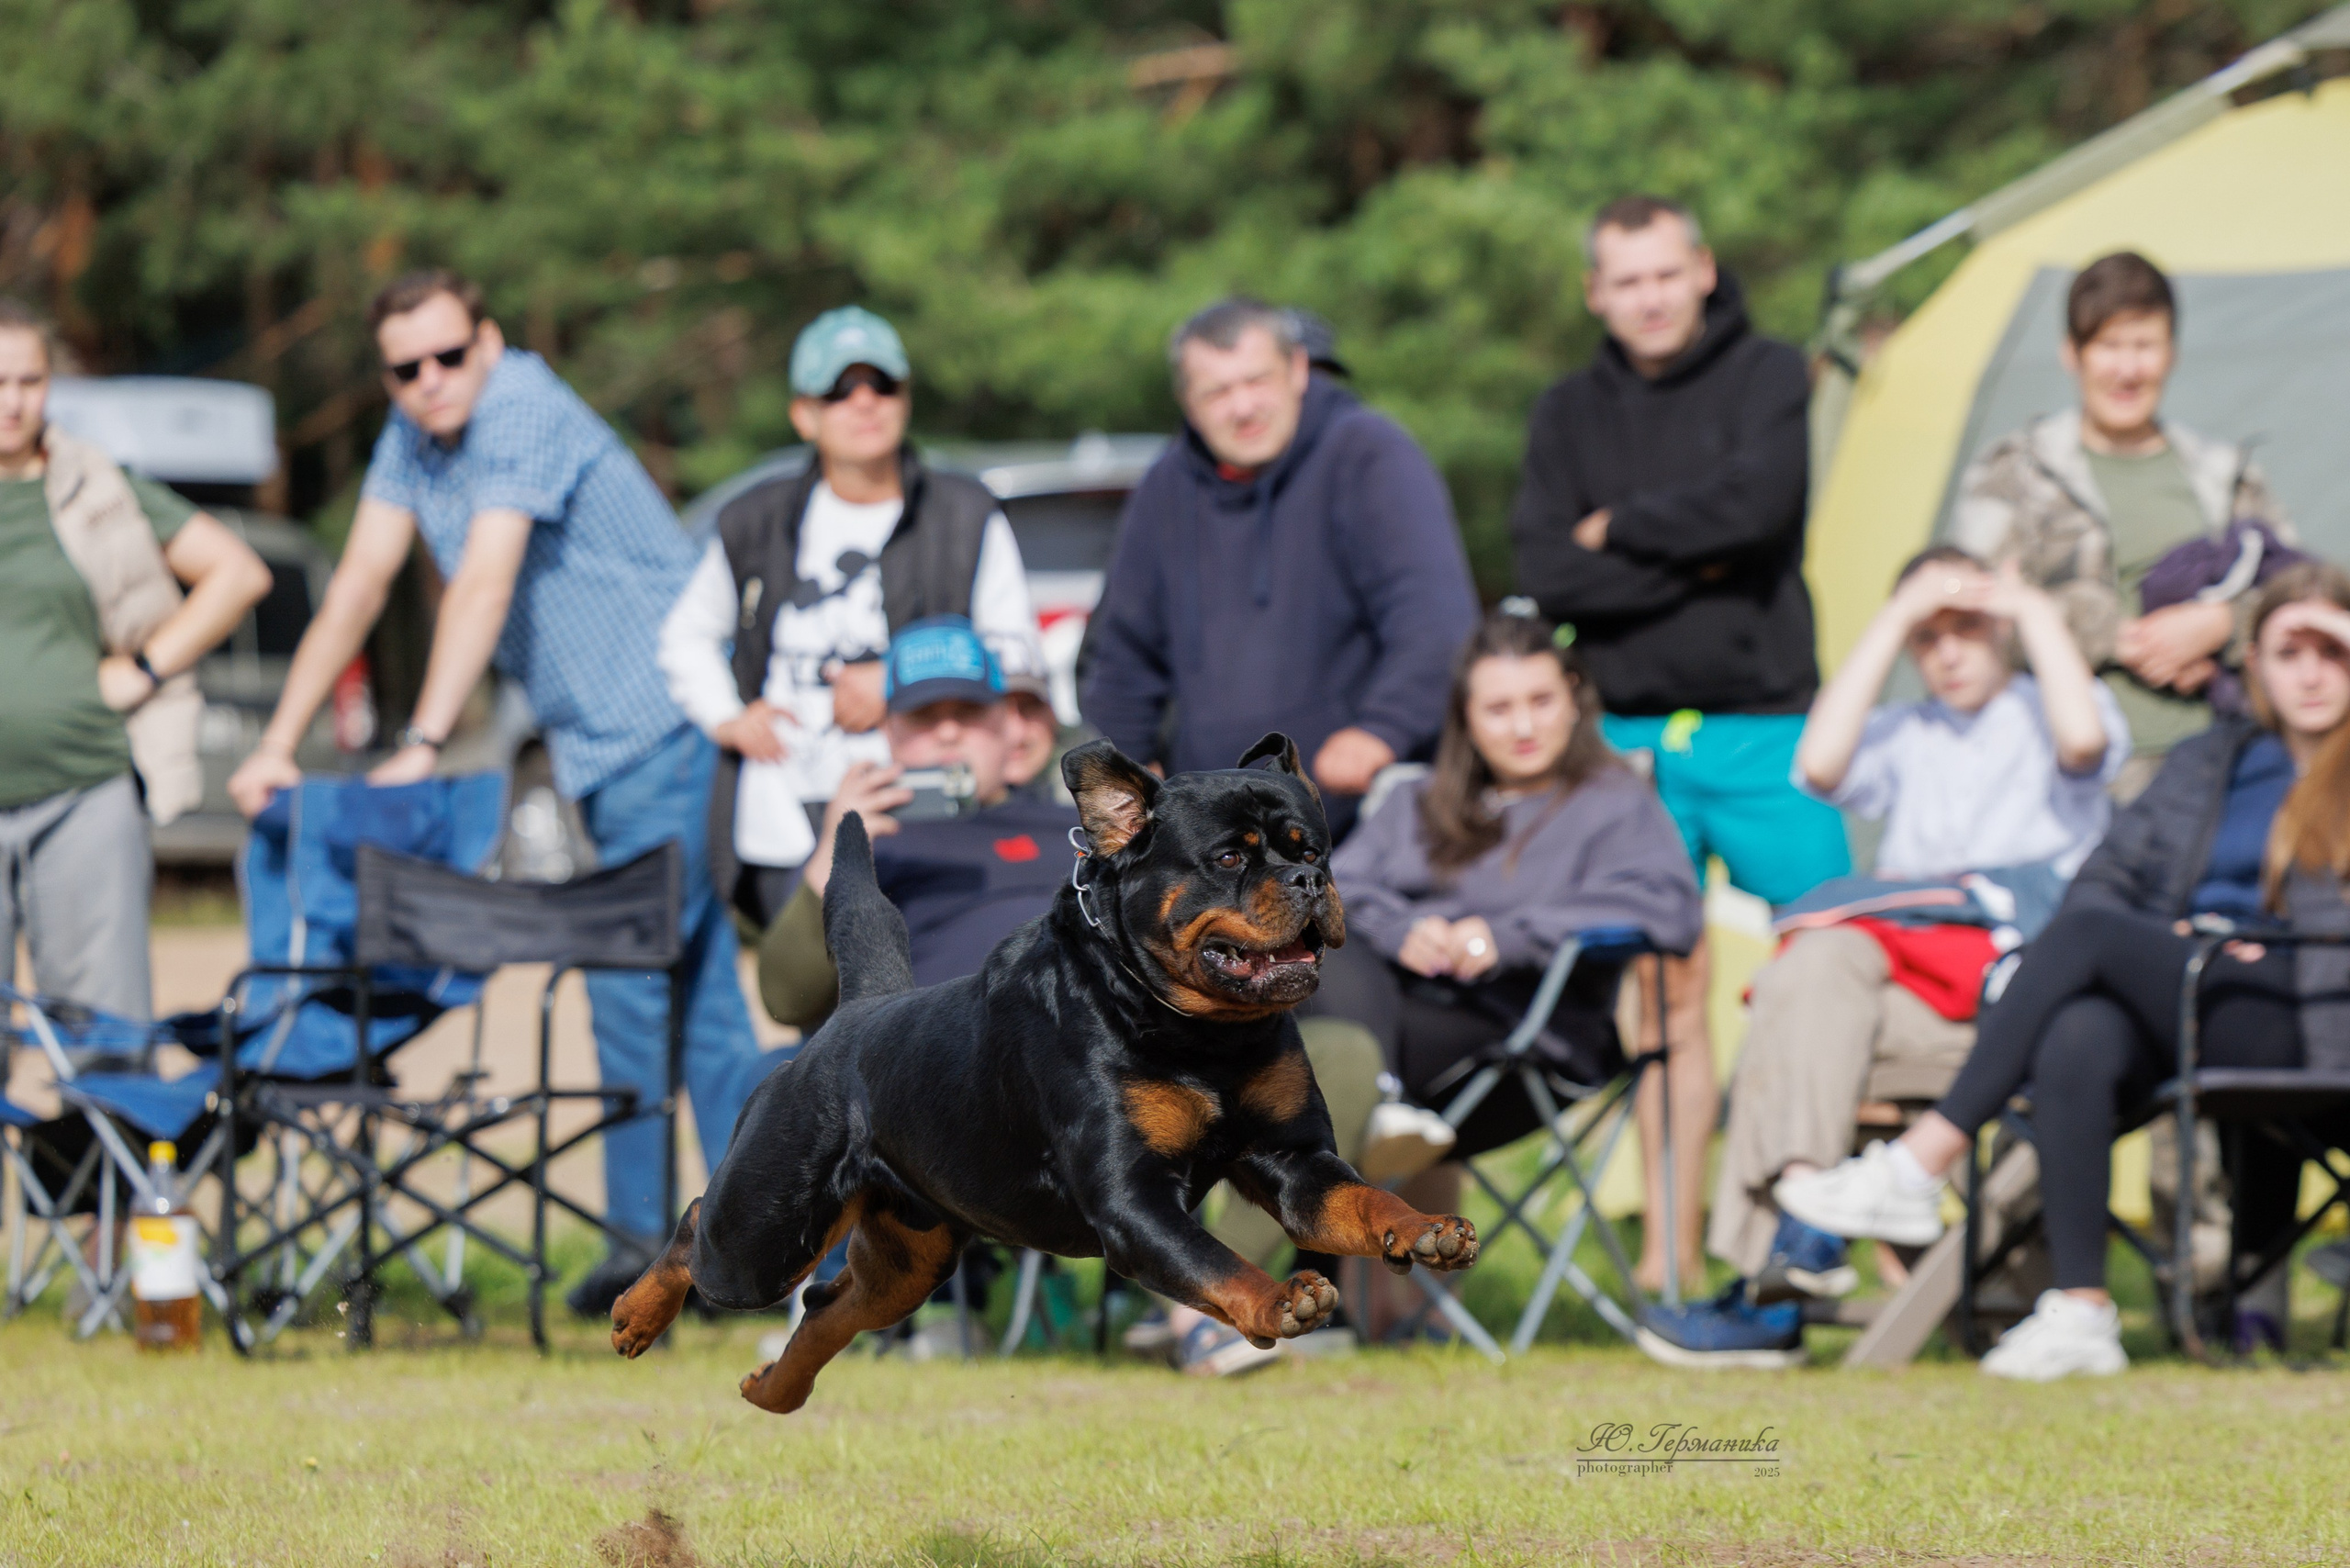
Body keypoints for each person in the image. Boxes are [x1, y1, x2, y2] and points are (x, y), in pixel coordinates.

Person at [223, 268, 773, 1315]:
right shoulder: (418, 434)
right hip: (603, 749)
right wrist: (278, 743)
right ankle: (767, 1251)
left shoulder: (518, 403)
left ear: (491, 339)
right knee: (699, 1004)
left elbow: (480, 579)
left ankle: (644, 1255)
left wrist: (424, 737)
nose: (432, 381)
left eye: (448, 355)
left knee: (625, 978)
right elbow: (358, 584)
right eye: (405, 368)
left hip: (662, 729)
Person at [1778, 564, 2350, 1380]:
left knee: (2084, 936)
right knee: (2084, 1029)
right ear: (2253, 663)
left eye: (2333, 649)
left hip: (2315, 1002)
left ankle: (1919, 1161)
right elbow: (2108, 876)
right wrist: (2166, 940)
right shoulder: (2209, 762)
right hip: (2199, 990)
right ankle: (2081, 1309)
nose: (2313, 671)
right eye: (2290, 649)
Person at [1639, 545, 2130, 1367]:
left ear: (2004, 630)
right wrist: (1897, 613)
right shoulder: (1906, 731)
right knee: (1809, 963)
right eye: (1927, 637)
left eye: (1967, 628)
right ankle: (1803, 1240)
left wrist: (2032, 609)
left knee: (1797, 1015)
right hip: (1911, 993)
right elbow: (1818, 766)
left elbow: (2083, 744)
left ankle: (1780, 1282)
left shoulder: (2057, 706)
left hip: (2022, 1004)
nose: (1948, 651)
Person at [1509, 195, 1844, 1288]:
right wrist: (1691, 546)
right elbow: (1550, 572)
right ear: (1594, 293)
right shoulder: (1567, 413)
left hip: (1769, 733)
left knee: (1848, 960)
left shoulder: (1767, 374)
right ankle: (1670, 1258)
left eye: (1666, 273)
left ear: (1702, 270)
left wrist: (1623, 527)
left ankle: (1869, 1249)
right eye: (1626, 279)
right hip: (1628, 743)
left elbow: (1761, 513)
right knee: (1663, 993)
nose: (1649, 297)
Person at [1310, 607, 1703, 1292]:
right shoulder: (1420, 803)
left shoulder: (1612, 803)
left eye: (1542, 701)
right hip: (1402, 1019)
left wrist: (1506, 937)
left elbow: (1667, 908)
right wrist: (1406, 930)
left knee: (1302, 1057)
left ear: (1575, 697)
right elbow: (1331, 888)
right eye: (1498, 708)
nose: (1523, 727)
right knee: (1319, 960)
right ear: (1465, 717)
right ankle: (1369, 1123)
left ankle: (1277, 1285)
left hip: (1524, 1038)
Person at [657, 307, 1045, 924]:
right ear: (804, 415)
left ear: (906, 398)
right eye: (839, 390)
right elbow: (686, 637)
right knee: (808, 996)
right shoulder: (754, 519)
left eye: (881, 384)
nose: (864, 402)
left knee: (918, 993)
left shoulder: (963, 513)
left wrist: (896, 678)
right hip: (783, 817)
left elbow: (1017, 653)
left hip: (921, 808)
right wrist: (728, 718)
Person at [1082, 297, 1478, 835]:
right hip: (1215, 839)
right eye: (1218, 391)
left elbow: (1436, 625)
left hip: (1360, 822)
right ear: (1187, 402)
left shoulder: (1370, 455)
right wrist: (1125, 770)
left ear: (1297, 370)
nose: (1243, 407)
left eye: (1257, 380)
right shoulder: (1165, 487)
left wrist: (1381, 731)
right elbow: (1122, 656)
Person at [0, 298, 271, 1020]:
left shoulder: (98, 485)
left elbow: (238, 572)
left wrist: (147, 667)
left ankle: (101, 1139)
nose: (13, 402)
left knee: (103, 1036)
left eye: (29, 381)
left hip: (82, 789)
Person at [1953, 251, 2295, 795]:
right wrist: (2111, 634)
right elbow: (1971, 613)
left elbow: (2297, 597)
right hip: (2060, 776)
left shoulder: (2226, 475)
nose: (2127, 370)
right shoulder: (2015, 474)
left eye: (2144, 346)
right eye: (2109, 346)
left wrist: (2223, 625)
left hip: (2222, 764)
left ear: (2171, 353)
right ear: (2073, 354)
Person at [753, 617, 1079, 1024]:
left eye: (968, 711)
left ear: (1006, 723)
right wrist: (836, 860)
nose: (947, 732)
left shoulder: (1075, 828)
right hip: (944, 1056)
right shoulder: (872, 839)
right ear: (890, 731)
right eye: (923, 716)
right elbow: (787, 1000)